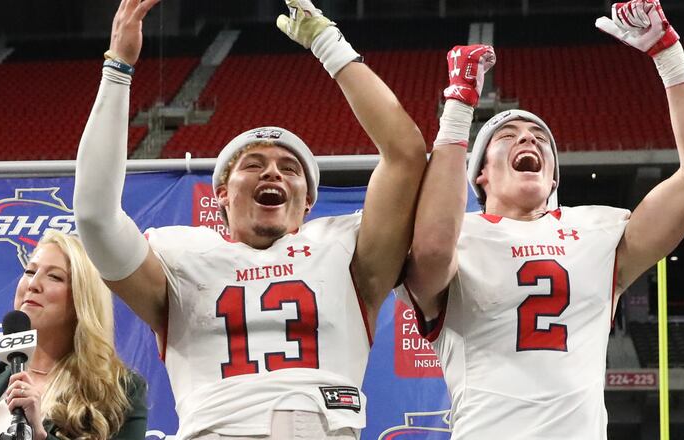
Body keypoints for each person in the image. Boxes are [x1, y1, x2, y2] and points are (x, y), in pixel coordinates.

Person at [73, 0, 426, 439]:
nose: (274, 171)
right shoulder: (180, 256)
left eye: (290, 168)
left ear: (309, 201)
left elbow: (407, 155)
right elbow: (93, 215)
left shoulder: (348, 250)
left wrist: (327, 43)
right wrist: (118, 67)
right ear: (221, 193)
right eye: (254, 164)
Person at [397, 1, 684, 438]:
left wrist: (668, 55)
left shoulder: (597, 231)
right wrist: (458, 109)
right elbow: (434, 249)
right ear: (480, 173)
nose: (527, 138)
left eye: (539, 139)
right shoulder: (461, 236)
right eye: (508, 137)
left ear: (553, 174)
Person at [0, 230, 148, 440]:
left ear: (82, 299)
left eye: (54, 277)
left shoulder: (122, 391)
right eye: (30, 272)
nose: (33, 284)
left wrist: (40, 435)